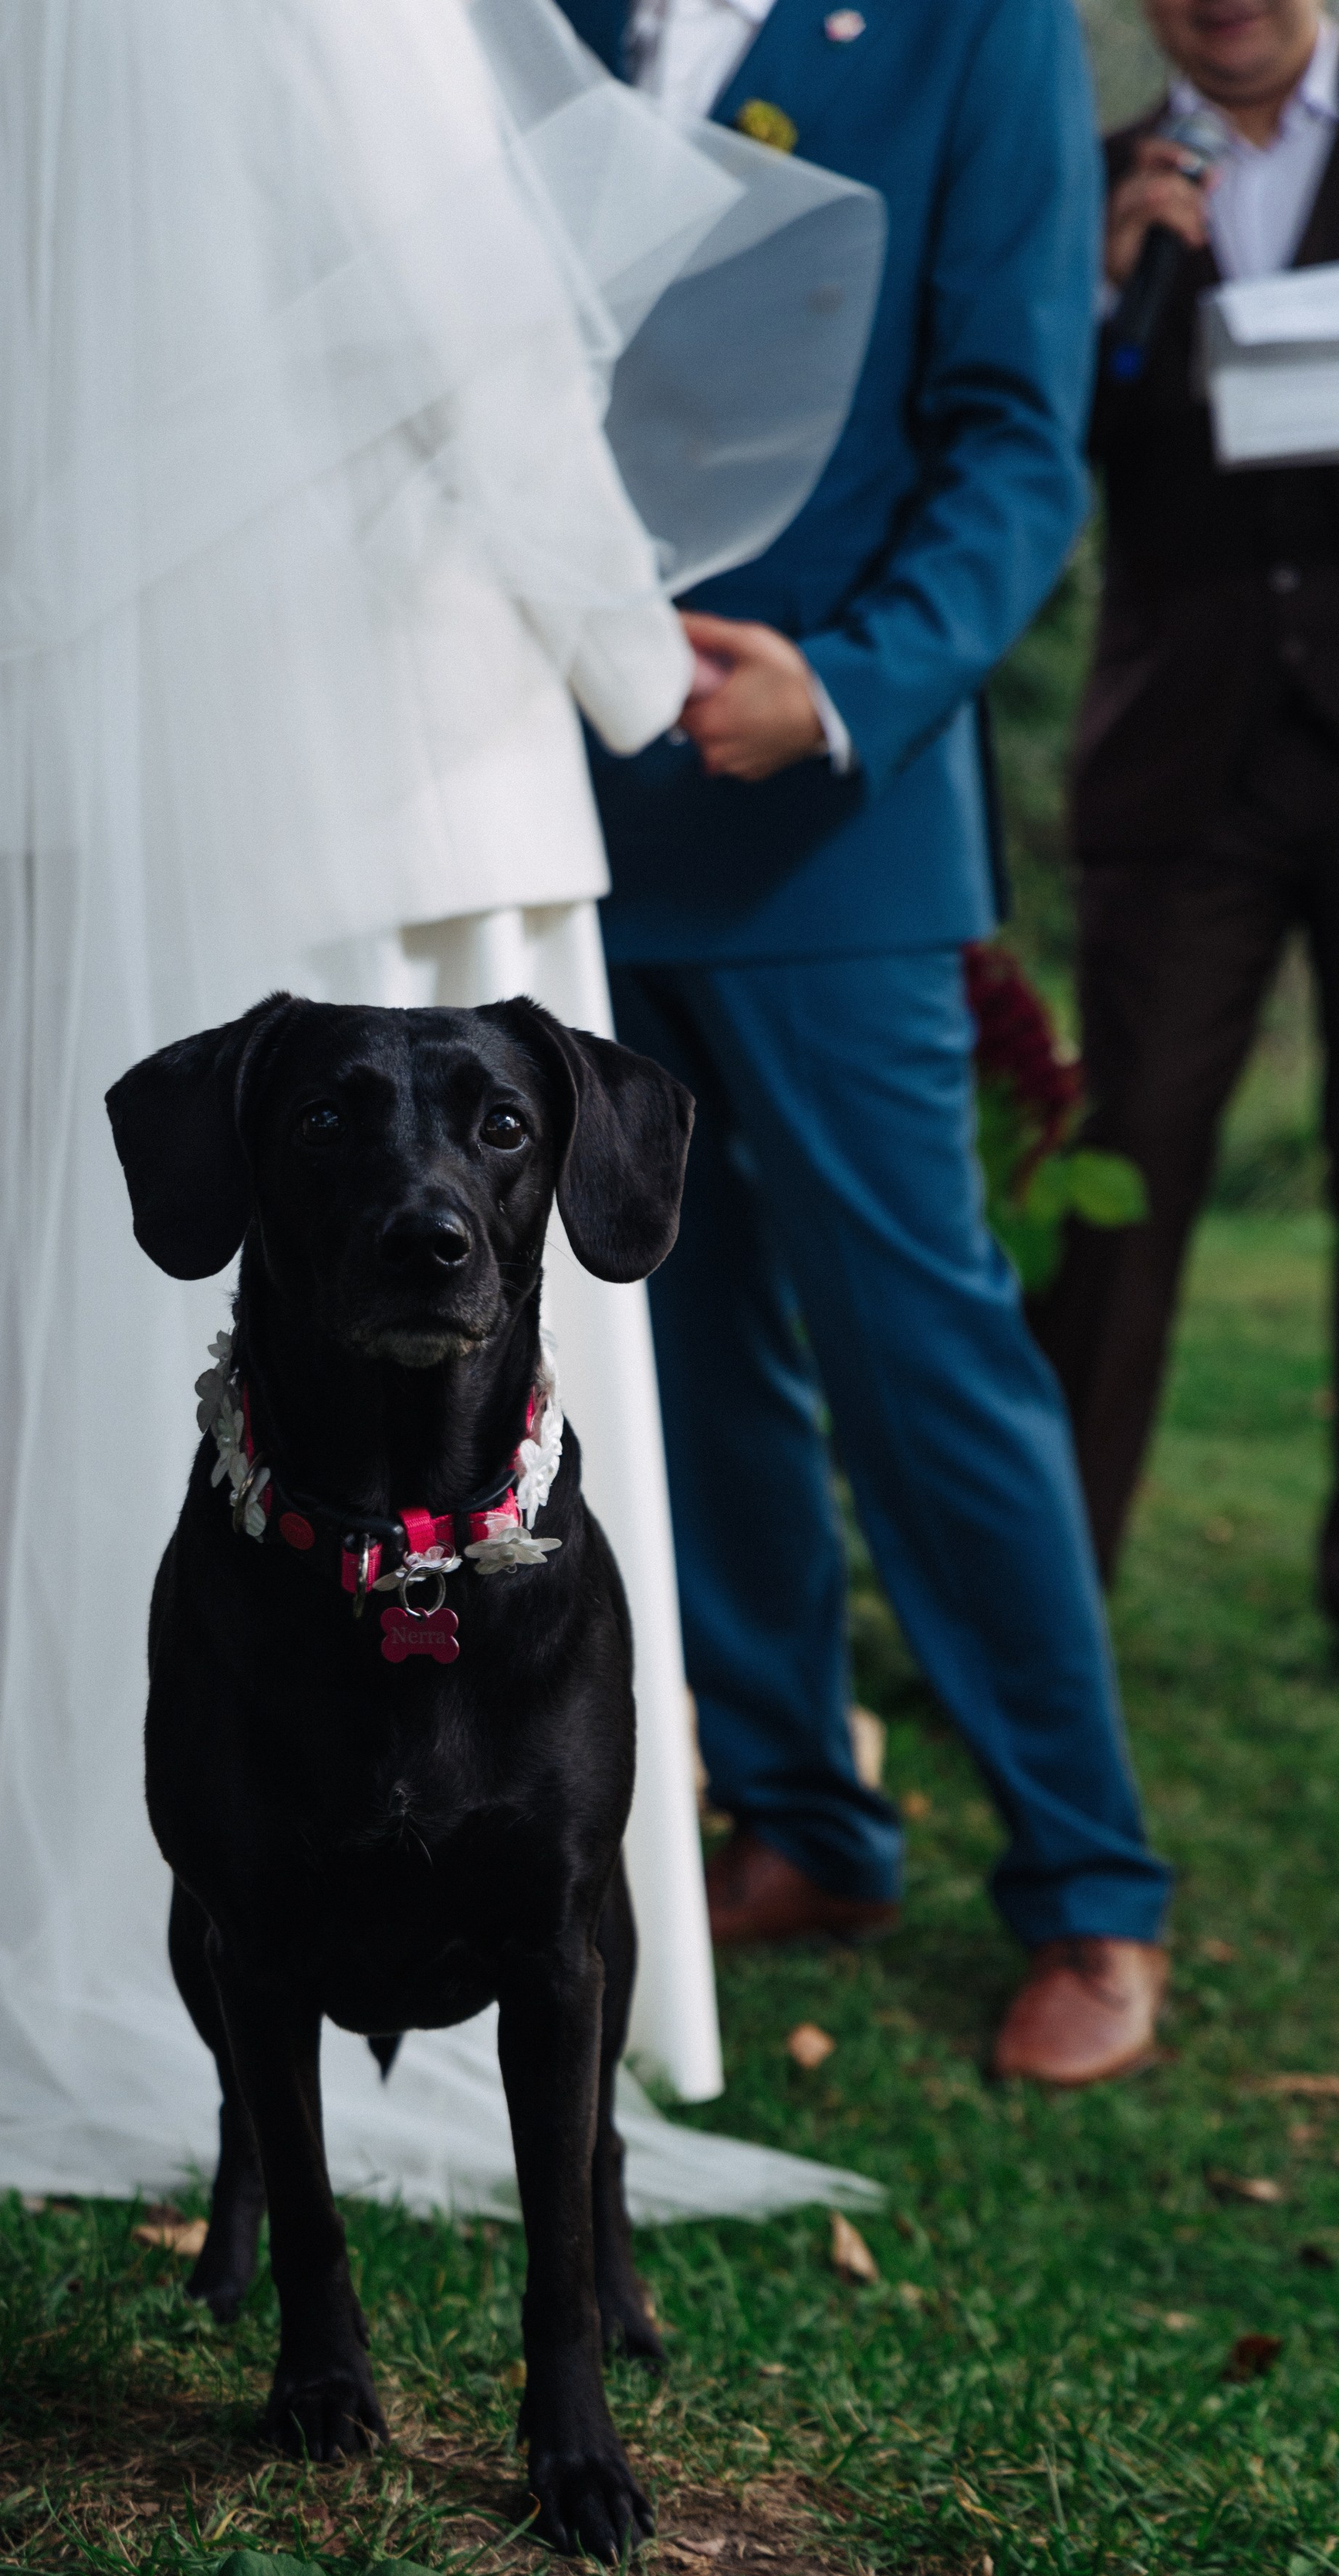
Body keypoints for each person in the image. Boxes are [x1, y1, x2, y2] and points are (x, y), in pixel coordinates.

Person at [0, 0, 885, 2225]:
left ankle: (64, 1902)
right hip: (383, 727)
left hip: (69, 722)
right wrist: (637, 664)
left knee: (131, 1306)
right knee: (439, 1281)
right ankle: (504, 1937)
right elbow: (471, 329)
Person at [555, 0, 1176, 2087]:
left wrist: (840, 691)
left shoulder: (980, 28)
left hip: (828, 809)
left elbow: (1016, 433)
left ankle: (1093, 1893)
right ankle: (808, 1820)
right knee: (680, 1342)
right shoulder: (541, 16)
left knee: (929, 1365)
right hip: (560, 801)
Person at [1029, 0, 1339, 1619]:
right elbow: (1022, 445)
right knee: (1124, 1174)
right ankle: (1042, 1606)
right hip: (1178, 764)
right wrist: (1091, 287)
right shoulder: (1086, 179)